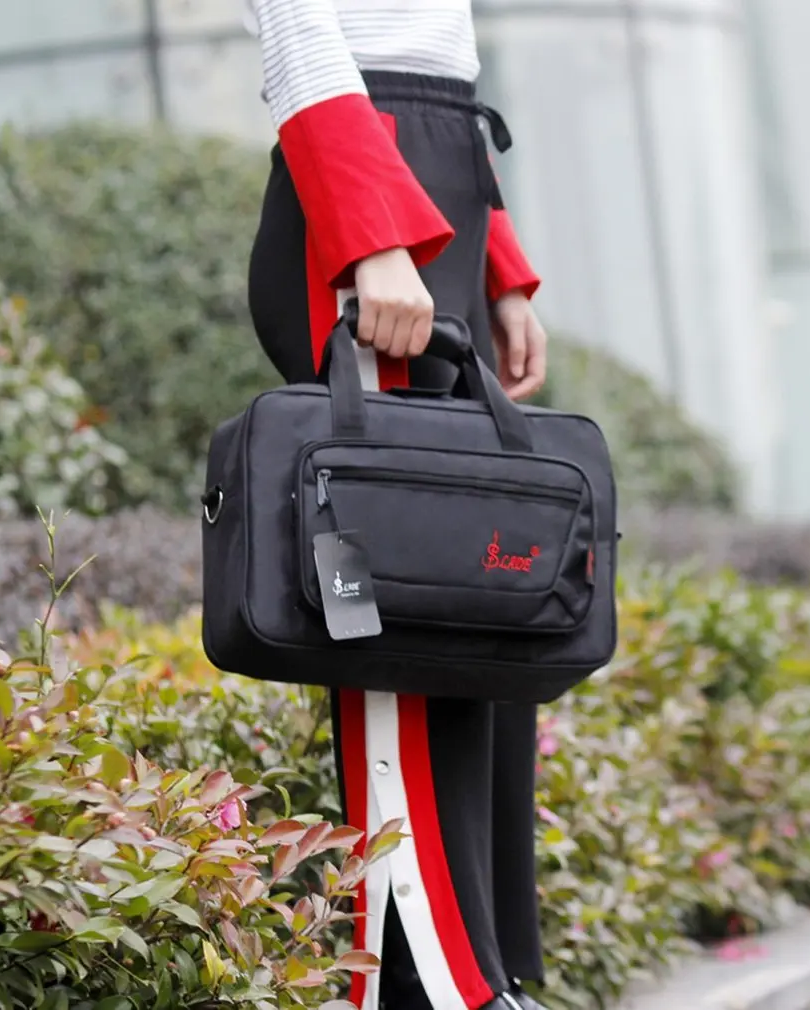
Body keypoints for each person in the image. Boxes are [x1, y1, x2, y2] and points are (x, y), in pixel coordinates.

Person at [243, 4, 550, 1010]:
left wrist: (498, 261)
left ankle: (482, 969)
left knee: (471, 601)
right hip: (361, 181)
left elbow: (440, 44)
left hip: (438, 169)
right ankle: (430, 985)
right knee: (400, 617)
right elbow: (296, 21)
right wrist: (367, 237)